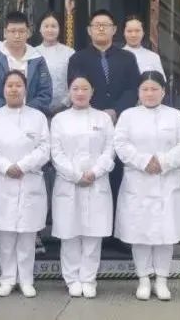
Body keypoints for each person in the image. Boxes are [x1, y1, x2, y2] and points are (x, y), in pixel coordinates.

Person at [113, 71, 180, 301]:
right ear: (138, 92)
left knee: (166, 233)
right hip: (138, 180)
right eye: (145, 89)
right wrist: (144, 161)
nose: (150, 93)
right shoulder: (128, 116)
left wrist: (164, 161)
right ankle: (143, 279)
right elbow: (120, 143)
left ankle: (162, 280)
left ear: (163, 92)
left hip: (167, 181)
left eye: (154, 89)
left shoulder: (176, 116)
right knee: (140, 233)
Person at [0, 71, 50, 298]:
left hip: (29, 179)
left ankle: (26, 280)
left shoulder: (38, 117)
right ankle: (7, 279)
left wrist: (22, 166)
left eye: (18, 85)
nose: (14, 89)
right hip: (2, 181)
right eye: (10, 85)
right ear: (3, 90)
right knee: (5, 237)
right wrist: (6, 166)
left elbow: (44, 148)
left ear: (25, 89)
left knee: (27, 237)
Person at [50, 76, 116, 299]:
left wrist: (95, 172)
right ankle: (72, 279)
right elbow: (56, 152)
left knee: (93, 234)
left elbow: (110, 150)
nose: (80, 93)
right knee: (69, 233)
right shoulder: (59, 120)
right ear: (69, 91)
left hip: (96, 182)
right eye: (75, 88)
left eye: (85, 88)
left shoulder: (103, 119)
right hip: (68, 183)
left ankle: (88, 278)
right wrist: (75, 175)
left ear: (92, 91)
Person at [66, 9, 142, 123]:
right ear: (89, 30)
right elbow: (76, 89)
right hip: (87, 118)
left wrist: (116, 111)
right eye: (97, 25)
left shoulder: (128, 58)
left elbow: (133, 89)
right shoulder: (77, 59)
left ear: (114, 29)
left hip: (122, 118)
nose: (101, 29)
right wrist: (96, 113)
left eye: (105, 25)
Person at [0, 11, 52, 115]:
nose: (17, 36)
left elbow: (45, 93)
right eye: (12, 31)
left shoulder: (38, 60)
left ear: (28, 33)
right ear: (5, 33)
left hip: (31, 117)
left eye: (21, 31)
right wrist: (8, 112)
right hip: (0, 118)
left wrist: (26, 112)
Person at [35, 11, 75, 115]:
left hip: (65, 109)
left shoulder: (69, 52)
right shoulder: (32, 53)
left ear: (59, 28)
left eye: (54, 26)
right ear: (40, 29)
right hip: (37, 109)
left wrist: (64, 103)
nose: (50, 30)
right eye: (46, 26)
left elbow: (75, 81)